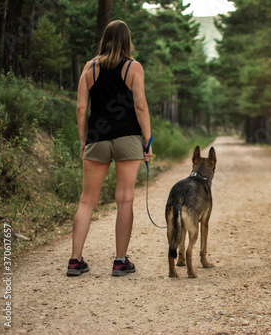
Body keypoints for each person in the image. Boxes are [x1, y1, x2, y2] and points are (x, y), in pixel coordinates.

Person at [66, 20, 152, 277]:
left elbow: (81, 108)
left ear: (105, 39)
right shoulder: (133, 67)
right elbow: (140, 107)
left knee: (87, 201)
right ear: (127, 40)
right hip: (127, 139)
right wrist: (147, 140)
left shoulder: (89, 68)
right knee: (125, 199)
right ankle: (119, 261)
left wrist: (84, 139)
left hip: (97, 138)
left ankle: (74, 261)